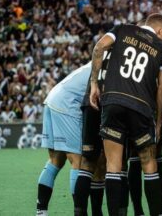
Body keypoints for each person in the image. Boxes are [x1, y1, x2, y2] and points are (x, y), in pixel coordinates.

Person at [89, 13, 162, 216]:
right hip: (141, 107)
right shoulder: (161, 48)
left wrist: (94, 84)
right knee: (149, 163)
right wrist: (158, 122)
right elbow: (161, 89)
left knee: (113, 165)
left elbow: (99, 47)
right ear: (161, 31)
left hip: (114, 101)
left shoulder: (122, 28)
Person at [36, 62, 93, 216]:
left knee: (56, 161)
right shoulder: (108, 65)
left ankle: (41, 211)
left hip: (52, 99)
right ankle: (80, 212)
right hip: (67, 104)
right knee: (77, 160)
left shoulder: (93, 62)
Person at [74, 50, 111, 216]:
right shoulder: (126, 49)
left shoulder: (102, 52)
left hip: (90, 103)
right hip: (108, 104)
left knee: (90, 163)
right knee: (110, 163)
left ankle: (89, 212)